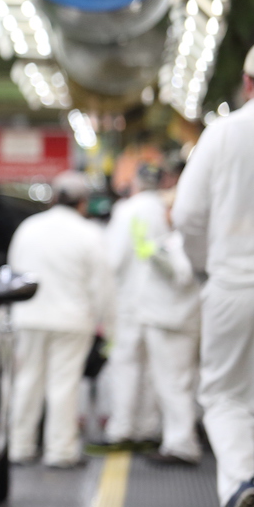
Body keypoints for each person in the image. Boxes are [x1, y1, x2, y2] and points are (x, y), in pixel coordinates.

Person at [174, 37, 254, 507]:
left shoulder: (225, 132)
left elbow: (187, 216)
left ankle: (240, 486)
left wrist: (206, 264)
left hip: (239, 283)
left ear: (249, 84)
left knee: (229, 395)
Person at [6, 171, 113, 468]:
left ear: (54, 198)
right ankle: (60, 451)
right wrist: (103, 320)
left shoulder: (29, 227)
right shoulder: (90, 233)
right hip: (72, 320)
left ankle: (20, 445)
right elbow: (102, 284)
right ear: (83, 203)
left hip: (28, 316)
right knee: (63, 384)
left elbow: (14, 269)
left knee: (27, 381)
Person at [104, 163, 200, 464]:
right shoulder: (165, 211)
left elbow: (114, 259)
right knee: (157, 373)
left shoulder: (128, 211)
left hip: (140, 304)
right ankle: (149, 427)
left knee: (131, 365)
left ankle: (124, 428)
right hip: (162, 307)